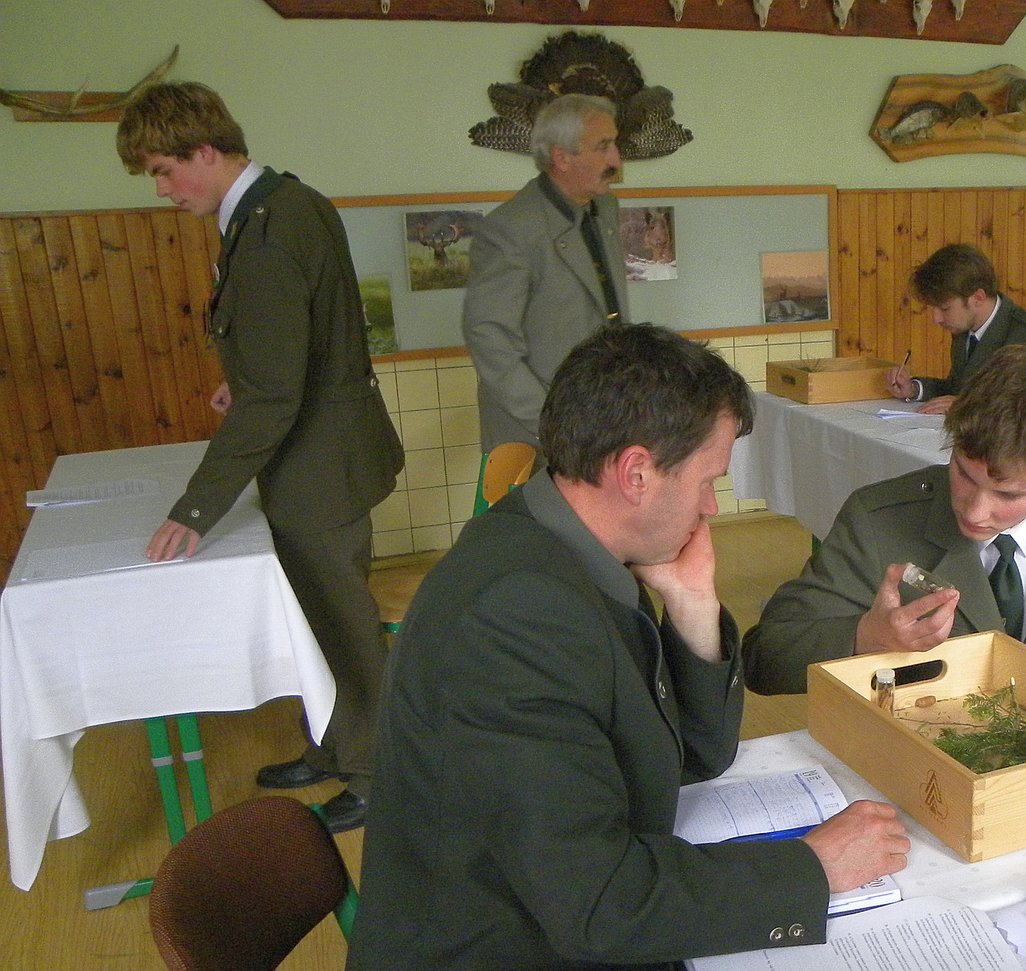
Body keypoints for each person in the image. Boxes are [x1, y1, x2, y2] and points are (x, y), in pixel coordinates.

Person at [348, 326, 909, 970]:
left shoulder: (571, 547)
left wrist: (693, 607)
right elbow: (601, 907)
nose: (710, 505)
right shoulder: (517, 615)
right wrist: (812, 868)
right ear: (636, 473)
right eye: (708, 480)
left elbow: (694, 754)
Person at [116, 82, 404, 832]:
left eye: (163, 170)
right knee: (315, 619)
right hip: (323, 452)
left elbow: (277, 396)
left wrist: (195, 508)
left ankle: (378, 776)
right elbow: (299, 343)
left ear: (204, 150)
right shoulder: (279, 206)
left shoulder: (271, 228)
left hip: (318, 467)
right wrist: (243, 380)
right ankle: (335, 747)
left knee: (343, 626)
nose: (161, 189)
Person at [745, 344, 1026, 695]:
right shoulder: (877, 520)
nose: (973, 511)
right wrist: (865, 637)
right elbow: (764, 657)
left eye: (1007, 495)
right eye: (964, 474)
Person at [462, 93, 631, 454]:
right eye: (603, 146)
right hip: (538, 434)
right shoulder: (510, 229)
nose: (616, 160)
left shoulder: (604, 208)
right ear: (561, 157)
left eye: (614, 144)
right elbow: (490, 339)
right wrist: (552, 424)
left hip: (602, 418)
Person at [886, 243, 1026, 415]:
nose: (936, 318)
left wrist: (968, 406)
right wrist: (914, 389)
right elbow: (958, 389)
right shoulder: (965, 329)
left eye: (945, 308)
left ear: (978, 297)